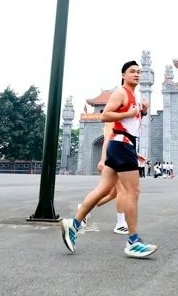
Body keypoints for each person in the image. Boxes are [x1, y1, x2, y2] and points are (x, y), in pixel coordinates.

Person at [60, 60, 157, 258]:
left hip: (123, 144)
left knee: (103, 189)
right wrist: (131, 112)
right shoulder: (121, 93)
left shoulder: (134, 96)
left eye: (139, 72)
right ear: (123, 75)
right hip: (120, 145)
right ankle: (133, 241)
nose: (137, 74)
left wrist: (142, 111)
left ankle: (74, 224)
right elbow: (105, 116)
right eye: (132, 71)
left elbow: (129, 122)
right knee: (133, 191)